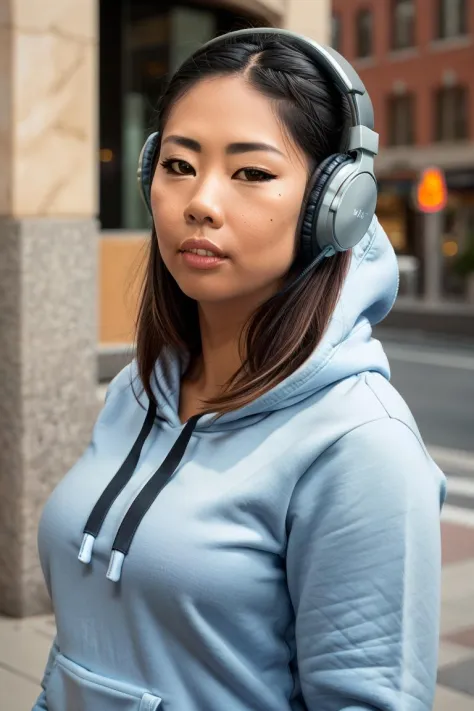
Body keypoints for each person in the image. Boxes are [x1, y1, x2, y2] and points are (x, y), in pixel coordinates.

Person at [34, 28, 446, 711]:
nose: (201, 200)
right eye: (178, 164)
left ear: (334, 205)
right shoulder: (137, 390)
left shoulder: (362, 447)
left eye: (251, 172)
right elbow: (84, 640)